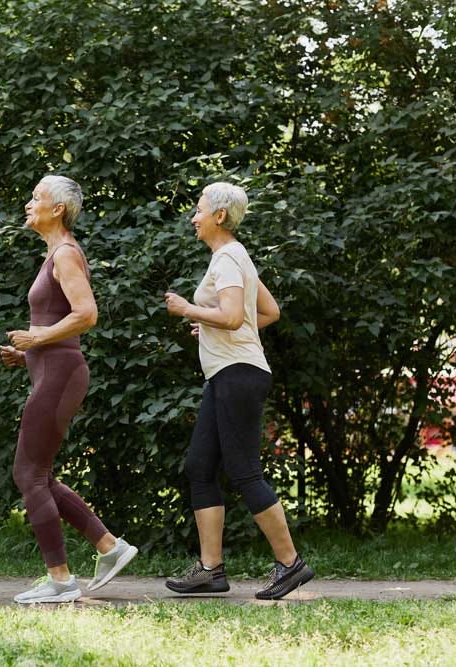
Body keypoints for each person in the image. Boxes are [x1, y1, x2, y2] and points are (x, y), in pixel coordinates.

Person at [162, 181, 313, 600]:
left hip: (237, 374)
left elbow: (231, 317)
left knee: (245, 471)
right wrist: (209, 321)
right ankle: (211, 571)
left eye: (198, 209)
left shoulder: (227, 257)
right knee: (199, 465)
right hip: (229, 373)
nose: (193, 217)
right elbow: (268, 312)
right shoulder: (234, 257)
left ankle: (290, 564)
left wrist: (188, 309)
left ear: (219, 216)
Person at [0, 175, 138, 604]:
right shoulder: (56, 255)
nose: (28, 204)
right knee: (40, 475)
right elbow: (64, 324)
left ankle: (60, 581)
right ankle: (110, 547)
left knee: (28, 474)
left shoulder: (64, 254)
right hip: (52, 371)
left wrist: (37, 340)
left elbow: (86, 314)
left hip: (61, 375)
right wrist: (29, 355)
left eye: (36, 198)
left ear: (58, 208)